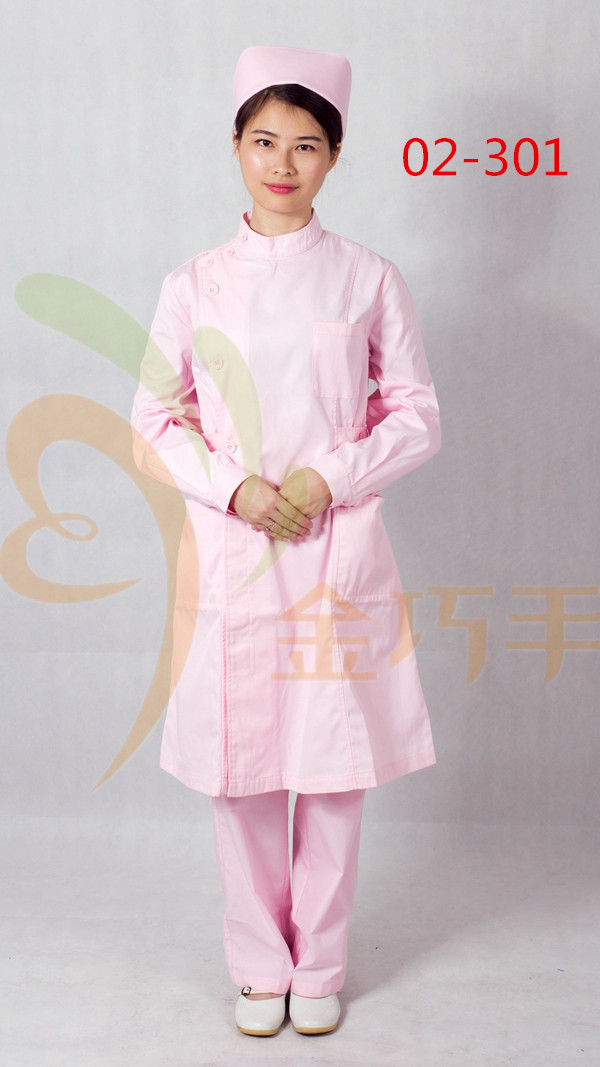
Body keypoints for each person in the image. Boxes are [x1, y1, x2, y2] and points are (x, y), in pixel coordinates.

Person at [131, 44, 440, 1038]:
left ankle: (324, 963)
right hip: (236, 549)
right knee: (245, 765)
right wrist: (238, 488)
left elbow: (418, 414)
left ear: (334, 157)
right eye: (264, 140)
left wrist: (326, 477)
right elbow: (153, 417)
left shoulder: (368, 278)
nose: (283, 163)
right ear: (235, 145)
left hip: (336, 546)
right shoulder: (194, 283)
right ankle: (260, 965)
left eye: (307, 145)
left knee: (334, 764)